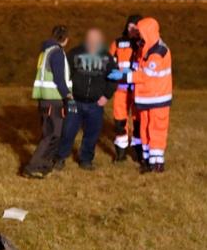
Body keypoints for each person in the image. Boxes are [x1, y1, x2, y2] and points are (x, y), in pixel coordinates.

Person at [109, 17, 172, 173]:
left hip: (157, 100)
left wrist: (123, 76)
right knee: (144, 130)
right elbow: (138, 70)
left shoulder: (158, 52)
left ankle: (156, 164)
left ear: (148, 32)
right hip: (146, 98)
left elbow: (145, 75)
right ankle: (146, 160)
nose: (139, 36)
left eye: (141, 33)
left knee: (156, 130)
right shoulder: (147, 48)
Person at [54, 28, 118, 171]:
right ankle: (60, 157)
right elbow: (64, 73)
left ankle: (86, 159)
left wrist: (106, 95)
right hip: (75, 101)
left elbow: (113, 78)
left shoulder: (107, 58)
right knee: (68, 131)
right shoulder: (74, 54)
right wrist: (67, 93)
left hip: (96, 104)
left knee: (92, 134)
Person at [23, 25, 74, 179]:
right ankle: (33, 167)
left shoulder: (46, 51)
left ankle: (44, 165)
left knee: (51, 134)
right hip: (54, 100)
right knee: (52, 135)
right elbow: (59, 79)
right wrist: (69, 96)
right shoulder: (57, 53)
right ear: (66, 40)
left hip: (46, 99)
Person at [108, 15, 142, 162]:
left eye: (135, 27)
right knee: (120, 120)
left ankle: (138, 152)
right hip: (121, 88)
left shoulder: (143, 44)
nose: (132, 30)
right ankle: (120, 153)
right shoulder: (117, 43)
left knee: (138, 121)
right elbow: (108, 62)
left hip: (137, 89)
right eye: (129, 26)